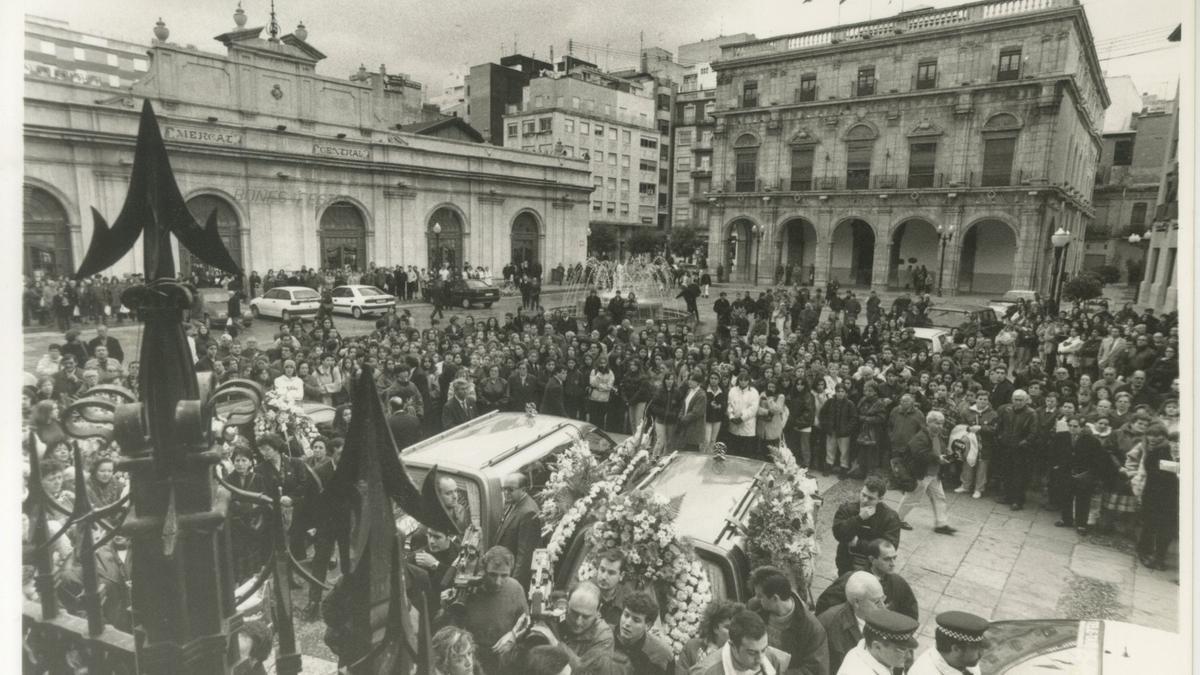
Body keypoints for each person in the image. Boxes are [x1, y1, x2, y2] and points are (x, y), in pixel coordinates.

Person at [452, 546, 527, 675]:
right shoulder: (469, 589)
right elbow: (453, 625)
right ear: (484, 570)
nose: (498, 582)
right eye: (493, 575)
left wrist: (513, 635)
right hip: (473, 659)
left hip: (503, 658)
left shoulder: (515, 588)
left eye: (504, 575)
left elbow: (525, 620)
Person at [748, 566, 830, 675]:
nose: (756, 599)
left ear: (775, 598)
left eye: (760, 596)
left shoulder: (812, 629)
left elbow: (816, 671)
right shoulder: (755, 608)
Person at [815, 539, 918, 621]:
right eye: (887, 559)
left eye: (894, 558)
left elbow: (911, 614)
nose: (892, 563)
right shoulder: (852, 579)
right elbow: (824, 605)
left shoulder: (898, 582)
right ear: (872, 560)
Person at [895, 410, 955, 535]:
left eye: (942, 423)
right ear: (928, 423)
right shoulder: (920, 437)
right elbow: (920, 454)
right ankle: (896, 520)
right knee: (912, 498)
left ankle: (941, 524)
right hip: (922, 474)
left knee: (939, 497)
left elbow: (938, 450)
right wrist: (938, 458)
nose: (940, 426)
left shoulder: (937, 436)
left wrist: (946, 455)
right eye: (937, 423)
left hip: (934, 474)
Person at [1050, 416, 1112, 534]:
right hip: (1066, 472)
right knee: (1066, 496)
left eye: (1076, 426)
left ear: (1082, 427)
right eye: (1070, 426)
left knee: (1083, 499)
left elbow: (1099, 459)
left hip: (1084, 474)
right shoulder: (1061, 437)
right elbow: (1055, 452)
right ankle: (1066, 519)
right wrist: (1057, 466)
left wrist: (1090, 473)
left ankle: (1081, 524)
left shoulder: (1091, 440)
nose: (1072, 429)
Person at [817, 572, 886, 673]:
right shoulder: (828, 624)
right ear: (857, 602)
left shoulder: (887, 619)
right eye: (876, 602)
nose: (883, 607)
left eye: (883, 599)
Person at [832, 477, 901, 577]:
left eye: (871, 498)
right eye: (863, 495)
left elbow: (890, 546)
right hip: (846, 563)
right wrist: (859, 518)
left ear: (880, 499)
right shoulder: (847, 509)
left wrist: (858, 544)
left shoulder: (890, 517)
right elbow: (838, 533)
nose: (864, 500)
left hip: (874, 568)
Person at [693, 609, 791, 675]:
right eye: (752, 653)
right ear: (733, 646)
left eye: (764, 649)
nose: (760, 659)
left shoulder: (771, 657)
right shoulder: (706, 672)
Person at [1136, 423, 1178, 570]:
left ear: (1164, 437)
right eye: (1150, 435)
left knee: (1164, 527)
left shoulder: (1165, 450)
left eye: (1157, 435)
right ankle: (1147, 552)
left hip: (1169, 495)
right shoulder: (1153, 450)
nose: (1153, 438)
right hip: (1154, 492)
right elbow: (1154, 472)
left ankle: (1158, 557)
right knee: (1150, 524)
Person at [835, 609, 918, 675]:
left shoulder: (870, 653)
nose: (909, 656)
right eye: (901, 650)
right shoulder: (858, 672)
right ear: (877, 647)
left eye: (909, 650)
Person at [496, 472, 542, 589]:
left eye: (510, 489)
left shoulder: (528, 512)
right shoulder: (515, 503)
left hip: (511, 578)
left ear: (523, 490)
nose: (506, 493)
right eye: (504, 489)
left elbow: (524, 556)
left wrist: (513, 585)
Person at [994, 389, 1039, 510]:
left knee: (1019, 475)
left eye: (1020, 400)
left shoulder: (1031, 413)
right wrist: (1000, 437)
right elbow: (1000, 425)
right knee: (1007, 472)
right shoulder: (1006, 410)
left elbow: (1033, 432)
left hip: (1020, 449)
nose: (1018, 402)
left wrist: (1023, 443)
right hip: (1006, 446)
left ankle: (1017, 500)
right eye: (1015, 399)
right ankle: (1007, 496)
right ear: (1012, 400)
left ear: (1026, 401)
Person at [611, 591, 674, 675]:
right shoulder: (602, 635)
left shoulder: (661, 655)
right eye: (626, 615)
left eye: (636, 620)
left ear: (648, 626)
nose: (627, 623)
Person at [908, 611, 989, 675]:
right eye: (976, 649)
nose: (981, 654)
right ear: (956, 649)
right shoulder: (924, 672)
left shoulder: (965, 660)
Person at [678, 599, 744, 675]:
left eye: (737, 628)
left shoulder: (741, 651)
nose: (734, 633)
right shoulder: (692, 647)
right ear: (715, 628)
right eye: (728, 628)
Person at [726, 370, 761, 460]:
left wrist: (742, 418)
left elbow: (753, 409)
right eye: (741, 380)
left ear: (748, 381)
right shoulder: (733, 390)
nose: (743, 382)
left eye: (745, 380)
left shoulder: (754, 392)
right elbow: (729, 405)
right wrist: (731, 417)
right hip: (734, 425)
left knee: (745, 454)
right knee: (734, 452)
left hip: (747, 427)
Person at [594, 548, 633, 628]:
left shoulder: (627, 600)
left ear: (621, 576)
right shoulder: (585, 589)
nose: (604, 577)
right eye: (602, 570)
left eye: (611, 573)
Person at [675, 371, 708, 452]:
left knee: (691, 451)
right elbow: (683, 405)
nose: (689, 381)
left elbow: (696, 412)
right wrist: (680, 416)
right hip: (685, 425)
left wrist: (683, 419)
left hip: (694, 427)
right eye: (689, 379)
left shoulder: (701, 395)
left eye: (692, 380)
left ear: (698, 383)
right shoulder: (689, 391)